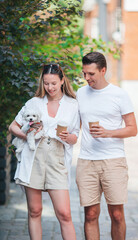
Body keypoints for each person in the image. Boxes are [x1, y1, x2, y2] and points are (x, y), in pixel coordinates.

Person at [9, 63, 80, 240]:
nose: (50, 87)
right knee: (34, 211)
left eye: (54, 83)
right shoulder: (34, 103)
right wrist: (29, 136)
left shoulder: (73, 105)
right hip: (34, 158)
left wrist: (68, 137)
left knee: (64, 214)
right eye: (46, 83)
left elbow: (75, 137)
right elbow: (13, 126)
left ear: (62, 80)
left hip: (57, 159)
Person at [76, 52, 138, 240]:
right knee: (90, 214)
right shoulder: (80, 93)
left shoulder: (119, 95)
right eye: (84, 73)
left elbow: (133, 129)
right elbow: (74, 125)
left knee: (117, 214)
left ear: (103, 71)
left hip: (113, 161)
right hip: (87, 162)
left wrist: (108, 132)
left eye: (91, 74)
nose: (87, 78)